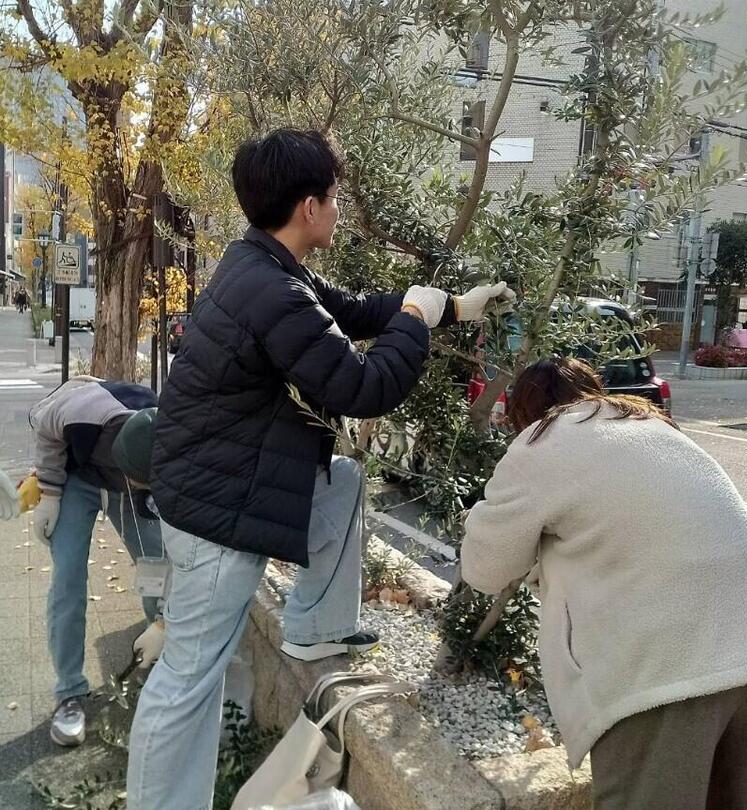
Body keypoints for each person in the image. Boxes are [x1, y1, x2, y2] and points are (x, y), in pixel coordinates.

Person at [126, 128, 514, 809]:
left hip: (210, 488)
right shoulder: (272, 290)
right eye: (334, 197)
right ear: (309, 207)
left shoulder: (262, 265)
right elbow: (363, 387)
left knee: (341, 484)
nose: (338, 208)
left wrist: (450, 308)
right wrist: (414, 320)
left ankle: (312, 628)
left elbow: (354, 312)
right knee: (188, 680)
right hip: (219, 518)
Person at [461, 357, 747, 809]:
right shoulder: (655, 428)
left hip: (663, 672)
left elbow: (485, 569)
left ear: (522, 412)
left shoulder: (542, 441)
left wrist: (481, 515)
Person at [29, 378, 167, 747]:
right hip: (78, 477)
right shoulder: (79, 413)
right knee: (68, 577)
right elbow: (45, 428)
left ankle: (160, 664)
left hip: (135, 483)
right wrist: (49, 493)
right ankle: (69, 693)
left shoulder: (166, 434)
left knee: (157, 566)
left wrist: (165, 620)